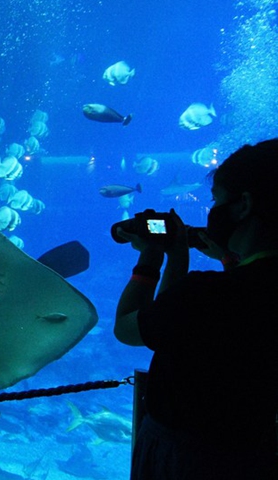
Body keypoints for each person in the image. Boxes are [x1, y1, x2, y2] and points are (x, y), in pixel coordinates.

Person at [114, 139, 278, 479]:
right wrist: (229, 257)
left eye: (217, 200)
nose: (211, 211)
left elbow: (129, 328)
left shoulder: (204, 295)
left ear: (243, 205)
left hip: (185, 460)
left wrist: (154, 257)